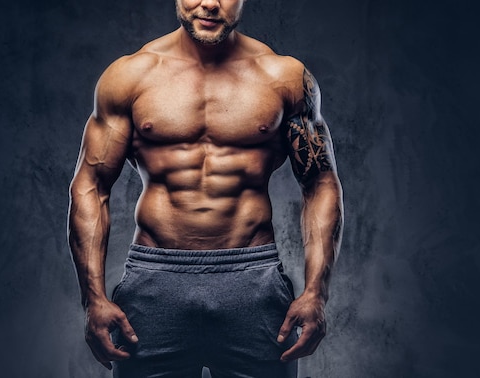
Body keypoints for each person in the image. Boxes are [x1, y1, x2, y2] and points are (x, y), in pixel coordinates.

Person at [68, 0, 344, 377]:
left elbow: (320, 183)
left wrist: (317, 292)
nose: (210, 3)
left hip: (252, 281)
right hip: (155, 281)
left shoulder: (283, 77)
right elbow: (91, 185)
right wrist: (93, 298)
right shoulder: (129, 77)